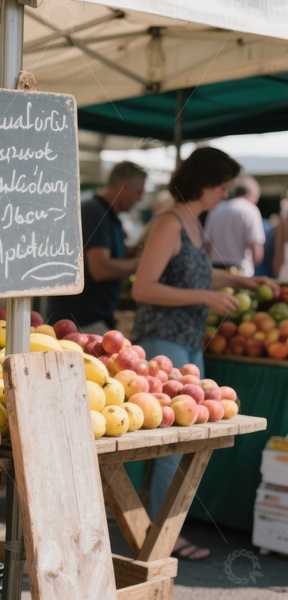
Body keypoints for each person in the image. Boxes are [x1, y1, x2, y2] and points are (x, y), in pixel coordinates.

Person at [131, 147, 275, 561]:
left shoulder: (192, 223)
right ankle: (163, 539)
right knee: (173, 443)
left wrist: (238, 283)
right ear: (205, 183)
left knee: (174, 442)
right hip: (163, 344)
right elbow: (144, 287)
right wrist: (206, 296)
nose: (225, 193)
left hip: (188, 343)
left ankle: (151, 528)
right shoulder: (169, 223)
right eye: (223, 185)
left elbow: (193, 272)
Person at [48, 161, 147, 333]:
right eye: (138, 192)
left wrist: (129, 252)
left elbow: (105, 255)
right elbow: (100, 269)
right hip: (82, 321)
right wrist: (144, 261)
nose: (140, 199)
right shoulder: (94, 212)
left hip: (91, 318)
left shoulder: (108, 215)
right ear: (125, 187)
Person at [204, 175, 265, 276]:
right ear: (252, 195)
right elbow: (257, 252)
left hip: (215, 270)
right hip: (240, 272)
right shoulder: (250, 210)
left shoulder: (216, 209)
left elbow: (207, 245)